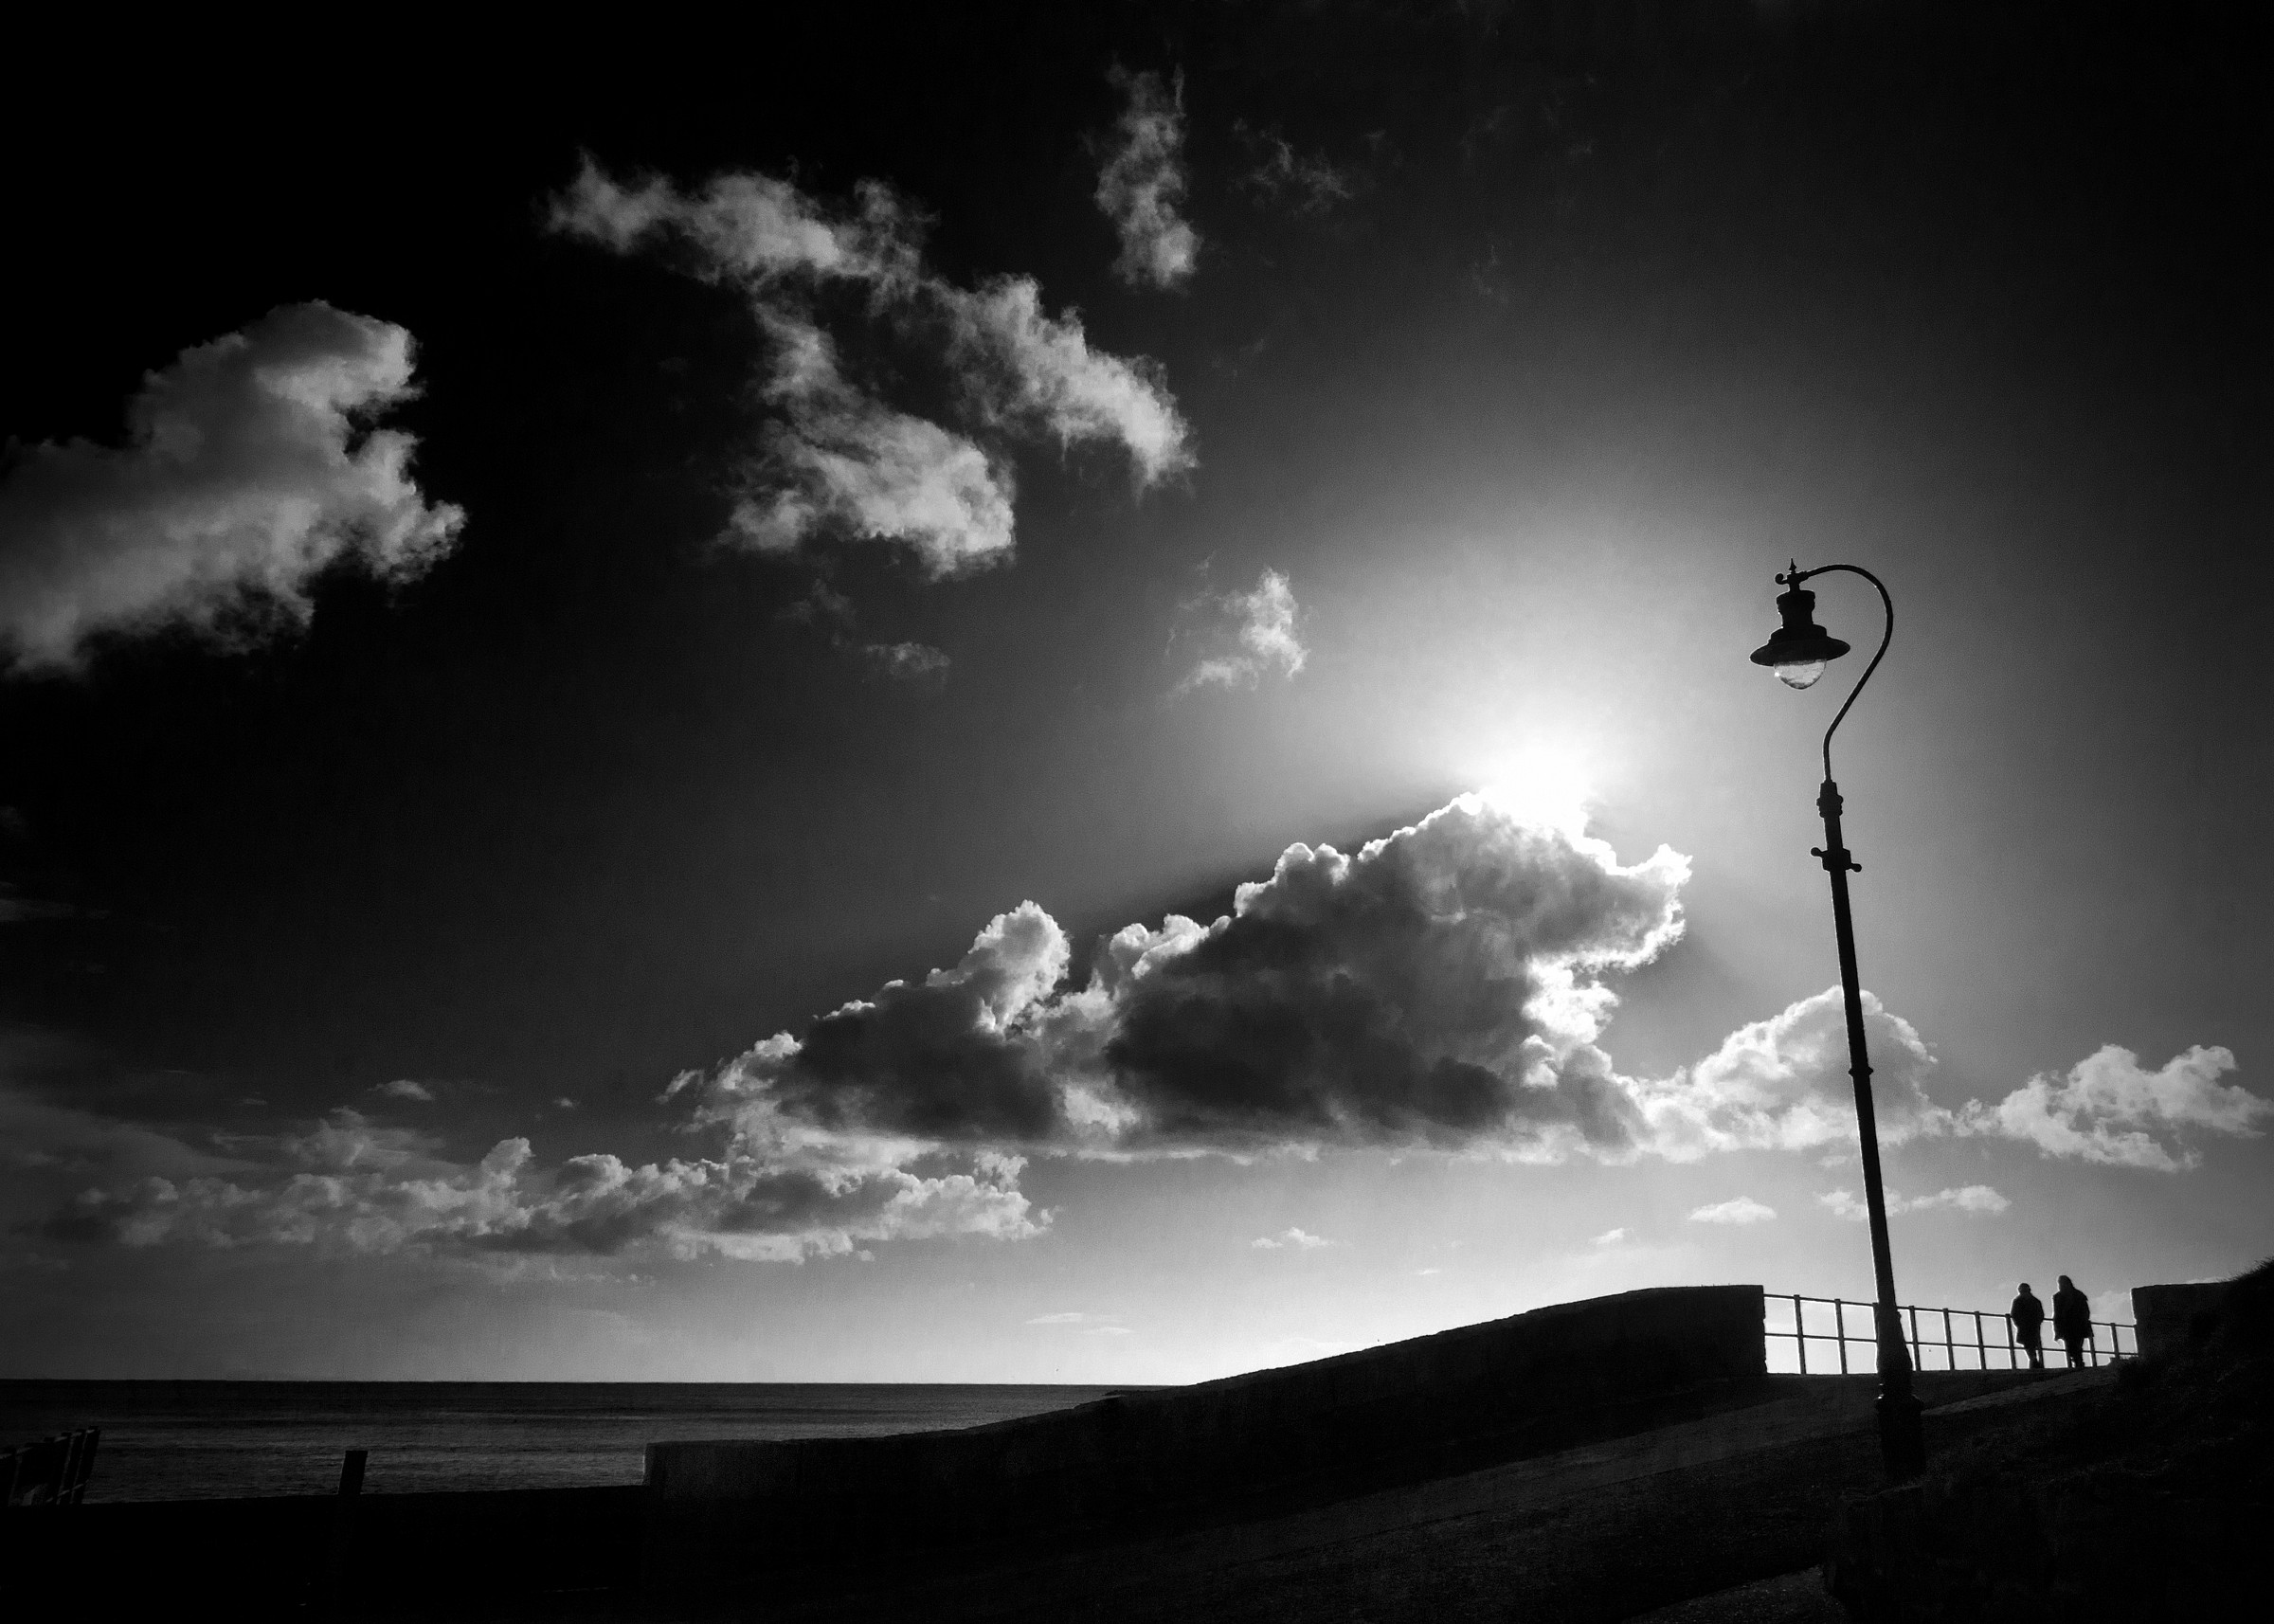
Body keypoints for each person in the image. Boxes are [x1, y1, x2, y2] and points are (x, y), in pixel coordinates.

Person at [2052, 1274, 2094, 1369]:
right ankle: (2078, 1361)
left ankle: (2077, 1361)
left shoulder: (2076, 1295)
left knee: (2075, 1345)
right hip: (2069, 1325)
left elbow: (2085, 1311)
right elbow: (2057, 1313)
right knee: (2072, 1346)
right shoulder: (2075, 1295)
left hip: (2075, 1324)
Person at [2010, 1283, 2046, 1370]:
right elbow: (2041, 1314)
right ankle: (2033, 1361)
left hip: (2025, 1326)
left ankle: (2033, 1361)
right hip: (2031, 1326)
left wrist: (2018, 1324)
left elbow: (2014, 1314)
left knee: (2028, 1344)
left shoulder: (2018, 1301)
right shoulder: (2035, 1301)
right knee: (2031, 1344)